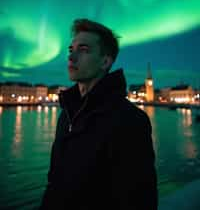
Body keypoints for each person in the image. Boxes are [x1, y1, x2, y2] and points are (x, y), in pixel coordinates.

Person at [39, 18, 158, 210]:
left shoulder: (130, 120)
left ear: (105, 61)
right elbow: (54, 183)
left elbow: (139, 200)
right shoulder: (67, 113)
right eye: (71, 50)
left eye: (83, 50)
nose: (71, 57)